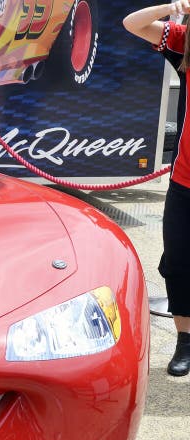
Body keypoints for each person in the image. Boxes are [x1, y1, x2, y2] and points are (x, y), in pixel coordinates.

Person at [124, 2, 190, 375]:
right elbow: (133, 23)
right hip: (185, 180)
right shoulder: (185, 40)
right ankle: (185, 343)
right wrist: (173, 6)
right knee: (179, 266)